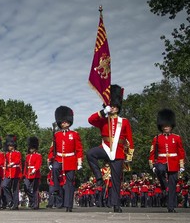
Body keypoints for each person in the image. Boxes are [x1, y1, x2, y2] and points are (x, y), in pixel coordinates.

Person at [86, 85, 134, 213]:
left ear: (118, 107)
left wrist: (129, 156)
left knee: (116, 180)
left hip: (118, 151)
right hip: (105, 148)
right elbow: (90, 120)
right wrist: (103, 112)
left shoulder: (124, 121)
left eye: (114, 105)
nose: (112, 107)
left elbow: (130, 139)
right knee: (90, 154)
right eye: (110, 105)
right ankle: (99, 178)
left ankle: (116, 205)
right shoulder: (103, 120)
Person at [149, 108, 186, 213]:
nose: (166, 127)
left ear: (171, 126)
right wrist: (152, 165)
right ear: (161, 126)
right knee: (160, 170)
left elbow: (181, 151)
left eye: (168, 126)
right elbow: (152, 152)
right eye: (164, 126)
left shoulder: (177, 138)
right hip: (161, 160)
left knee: (173, 186)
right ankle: (163, 185)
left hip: (174, 162)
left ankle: (171, 207)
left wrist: (182, 165)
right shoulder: (157, 138)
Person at [49, 106, 83, 212]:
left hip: (71, 160)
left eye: (66, 121)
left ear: (69, 122)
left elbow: (79, 149)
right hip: (59, 158)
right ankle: (55, 188)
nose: (64, 123)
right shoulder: (56, 135)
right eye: (62, 122)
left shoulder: (74, 134)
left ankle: (69, 205)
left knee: (69, 184)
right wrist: (50, 160)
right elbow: (52, 149)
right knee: (55, 168)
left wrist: (79, 162)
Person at [1, 134, 22, 210]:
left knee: (15, 189)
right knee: (4, 185)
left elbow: (18, 160)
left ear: (13, 145)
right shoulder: (7, 154)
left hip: (15, 172)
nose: (9, 147)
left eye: (11, 146)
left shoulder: (17, 153)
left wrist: (12, 163)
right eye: (8, 146)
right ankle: (10, 200)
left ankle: (15, 205)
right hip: (8, 172)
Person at [23, 136, 42, 210]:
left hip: (35, 174)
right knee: (26, 188)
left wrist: (34, 170)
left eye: (32, 148)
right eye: (30, 148)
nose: (31, 149)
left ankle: (36, 204)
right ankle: (32, 200)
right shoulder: (28, 156)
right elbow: (26, 166)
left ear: (35, 148)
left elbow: (38, 164)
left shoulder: (38, 155)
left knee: (35, 189)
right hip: (28, 174)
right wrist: (24, 174)